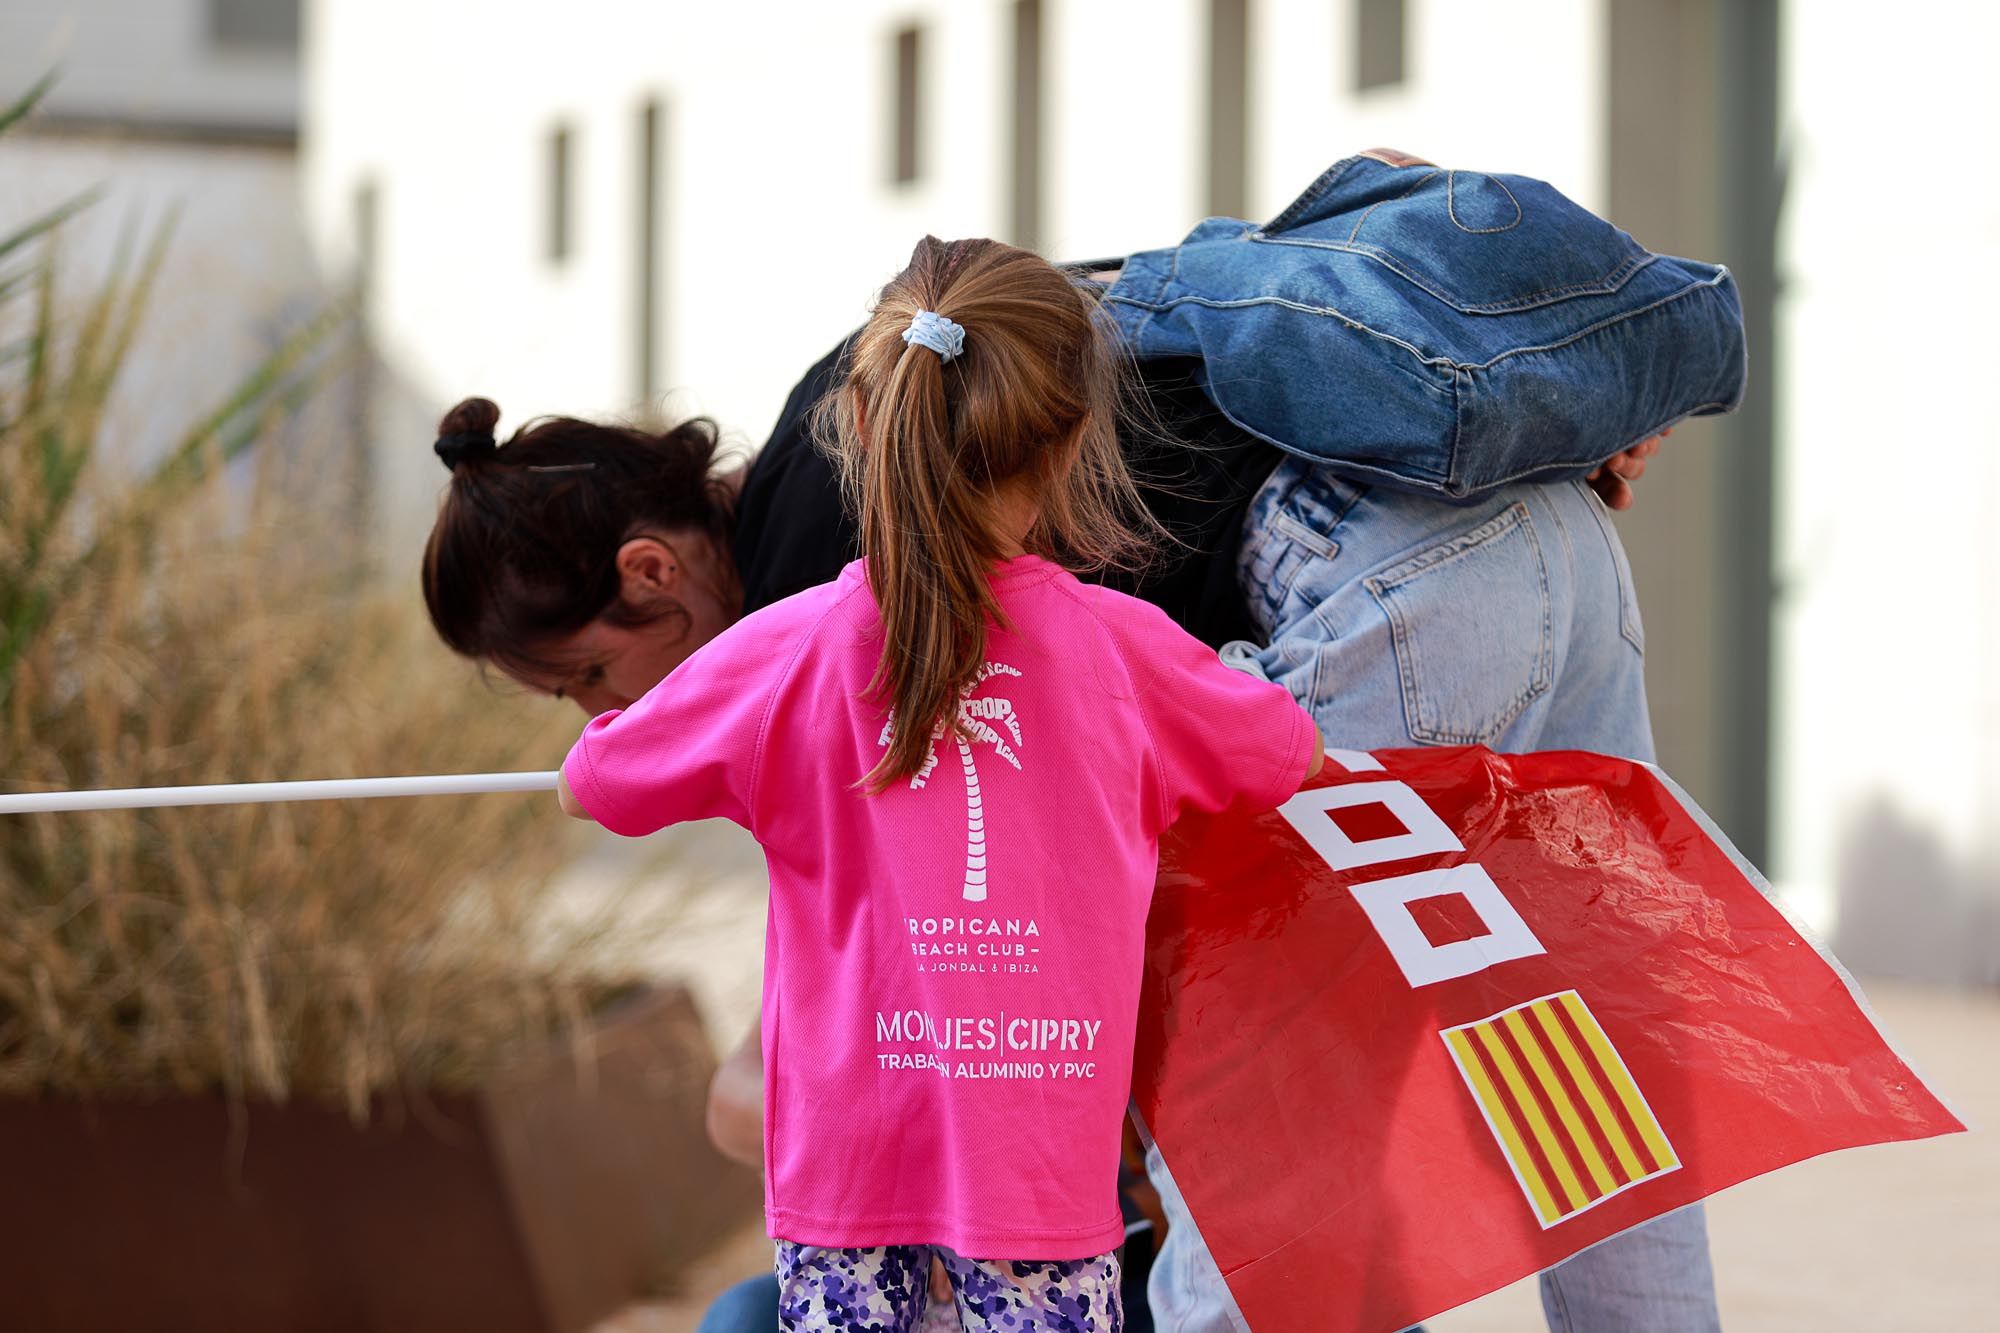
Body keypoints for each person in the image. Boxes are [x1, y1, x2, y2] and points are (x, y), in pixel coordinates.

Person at [421, 218, 1716, 1333]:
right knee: (1585, 1041)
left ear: (651, 571)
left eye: (588, 678)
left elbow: (956, 931)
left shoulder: (827, 587)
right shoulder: (954, 372)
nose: (613, 706)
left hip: (1371, 578)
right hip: (1542, 524)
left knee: (1251, 1144)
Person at [548, 236, 1324, 1332]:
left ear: (860, 424)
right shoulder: (1122, 652)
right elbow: (1285, 754)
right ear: (1067, 447)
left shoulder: (786, 653)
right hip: (1041, 1177)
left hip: (842, 1175)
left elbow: (596, 782)